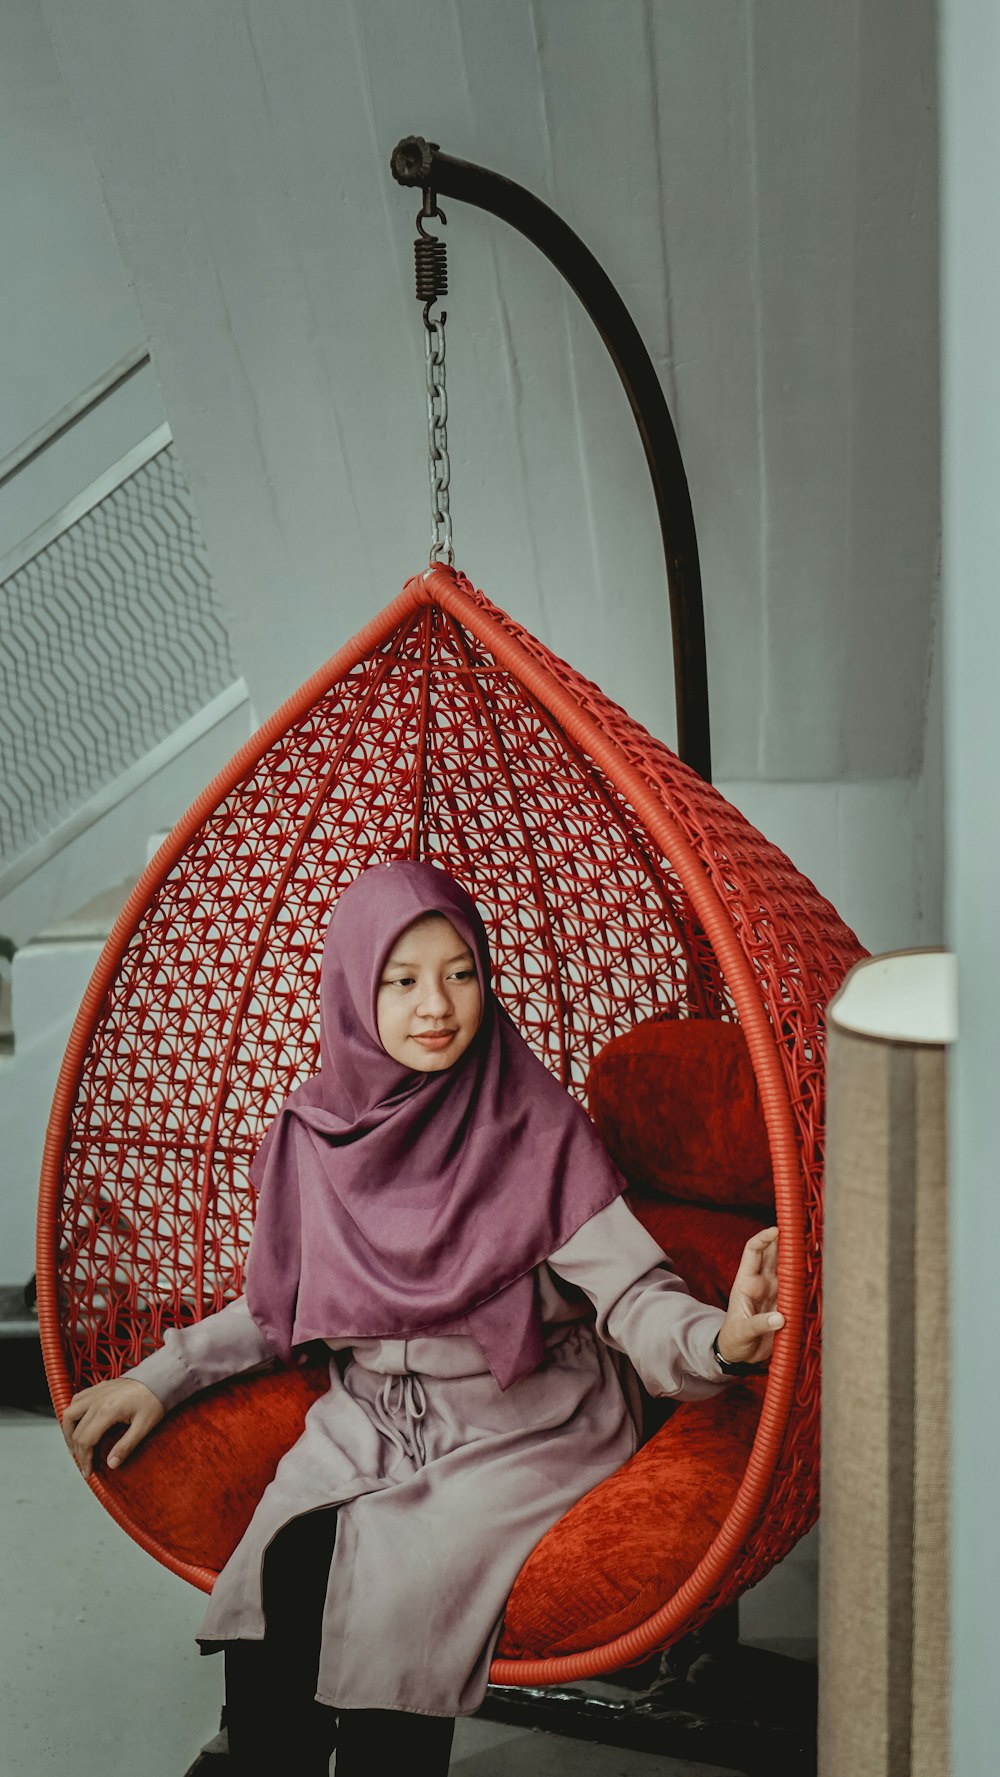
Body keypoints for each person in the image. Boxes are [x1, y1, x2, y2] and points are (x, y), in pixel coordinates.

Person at [62, 859, 783, 1777]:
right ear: (355, 992)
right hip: (368, 1415)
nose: (437, 1004)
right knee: (284, 1565)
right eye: (402, 980)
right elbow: (280, 1302)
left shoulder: (532, 1123)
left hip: (521, 1423)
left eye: (461, 972)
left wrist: (720, 1339)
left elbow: (634, 1295)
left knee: (401, 1601)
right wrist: (157, 1377)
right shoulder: (315, 1135)